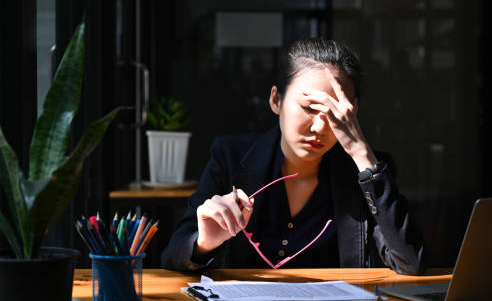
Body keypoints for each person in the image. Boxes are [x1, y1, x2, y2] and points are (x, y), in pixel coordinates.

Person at [161, 38, 425, 275]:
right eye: (309, 108)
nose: (320, 127)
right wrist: (204, 244)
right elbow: (173, 256)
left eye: (335, 113)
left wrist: (361, 153)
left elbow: (409, 262)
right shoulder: (230, 156)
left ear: (352, 114)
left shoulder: (366, 173)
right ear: (276, 100)